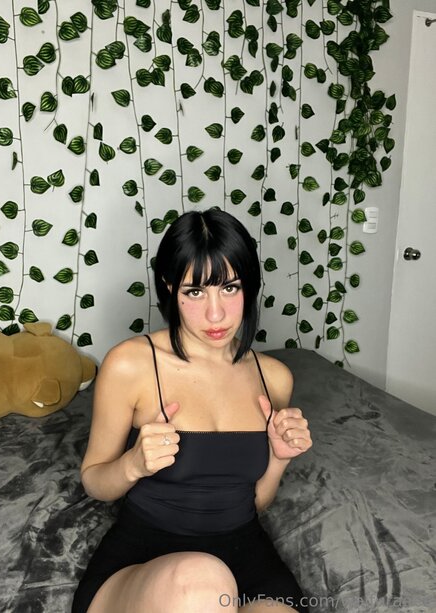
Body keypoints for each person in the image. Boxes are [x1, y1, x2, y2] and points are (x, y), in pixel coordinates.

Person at [72, 208, 313, 613]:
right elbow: (94, 482)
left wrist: (278, 459)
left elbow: (254, 504)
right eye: (195, 292)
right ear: (170, 288)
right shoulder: (130, 364)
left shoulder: (274, 377)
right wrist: (133, 464)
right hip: (145, 559)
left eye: (230, 288)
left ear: (249, 286)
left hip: (244, 550)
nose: (216, 314)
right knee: (203, 584)